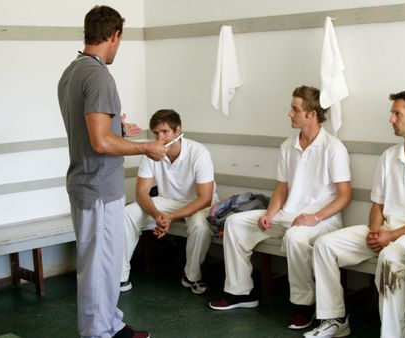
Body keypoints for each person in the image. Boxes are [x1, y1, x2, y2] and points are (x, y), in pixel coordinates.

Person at [304, 91, 405, 338]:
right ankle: (335, 319)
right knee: (324, 245)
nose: (391, 119)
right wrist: (376, 231)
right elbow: (377, 204)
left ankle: (393, 334)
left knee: (388, 259)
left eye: (397, 113)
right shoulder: (389, 157)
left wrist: (391, 236)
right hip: (387, 230)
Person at [58, 5, 167, 338]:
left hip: (87, 184)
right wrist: (147, 147)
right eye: (120, 40)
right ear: (114, 35)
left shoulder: (72, 71)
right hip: (98, 189)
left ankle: (112, 324)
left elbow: (96, 130)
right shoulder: (99, 75)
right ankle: (97, 333)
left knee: (105, 266)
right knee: (97, 269)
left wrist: (119, 127)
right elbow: (101, 142)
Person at [209, 85, 352, 331]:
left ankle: (303, 305)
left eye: (295, 109)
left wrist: (314, 217)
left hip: (322, 220)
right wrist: (269, 214)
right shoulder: (288, 146)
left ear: (312, 114)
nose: (289, 113)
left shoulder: (334, 148)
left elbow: (344, 196)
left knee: (296, 237)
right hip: (288, 215)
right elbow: (281, 190)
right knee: (235, 222)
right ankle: (240, 292)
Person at [120, 109, 219, 294]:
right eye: (156, 133)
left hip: (198, 202)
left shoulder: (199, 152)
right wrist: (158, 215)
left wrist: (170, 217)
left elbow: (205, 198)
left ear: (178, 131)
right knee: (127, 213)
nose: (160, 138)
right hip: (168, 201)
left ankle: (191, 276)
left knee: (200, 226)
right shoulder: (150, 154)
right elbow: (142, 193)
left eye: (165, 132)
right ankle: (120, 277)